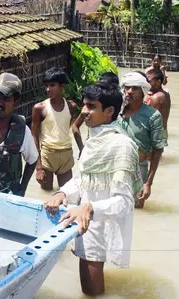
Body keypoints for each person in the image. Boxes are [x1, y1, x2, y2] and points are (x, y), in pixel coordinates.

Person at [44, 83, 141, 296]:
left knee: (91, 292)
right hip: (85, 217)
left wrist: (89, 208)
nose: (84, 112)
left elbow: (125, 201)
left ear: (109, 112)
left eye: (91, 107)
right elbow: (84, 179)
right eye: (84, 106)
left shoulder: (121, 146)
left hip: (99, 222)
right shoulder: (94, 140)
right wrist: (63, 193)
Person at [118, 72, 167, 209]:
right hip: (116, 168)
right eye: (127, 87)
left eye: (134, 88)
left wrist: (148, 183)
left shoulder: (153, 116)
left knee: (136, 211)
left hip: (139, 171)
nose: (129, 91)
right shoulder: (117, 111)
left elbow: (158, 150)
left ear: (143, 91)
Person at [31, 67, 78, 191]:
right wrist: (39, 167)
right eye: (46, 86)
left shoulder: (71, 106)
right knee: (46, 194)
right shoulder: (39, 108)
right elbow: (34, 136)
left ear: (62, 86)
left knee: (67, 195)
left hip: (66, 153)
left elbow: (64, 129)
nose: (48, 89)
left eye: (52, 85)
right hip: (48, 153)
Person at [72, 72, 120, 155]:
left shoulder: (120, 143)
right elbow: (75, 126)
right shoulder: (90, 105)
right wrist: (82, 149)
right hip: (92, 144)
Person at [144, 69, 171, 140]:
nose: (146, 84)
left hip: (154, 134)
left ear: (158, 82)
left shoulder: (156, 97)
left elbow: (147, 118)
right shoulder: (166, 94)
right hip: (163, 131)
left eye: (149, 81)